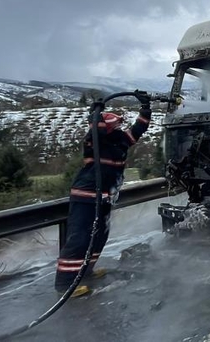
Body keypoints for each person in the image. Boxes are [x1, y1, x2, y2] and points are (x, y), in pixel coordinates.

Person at [54, 93, 152, 297]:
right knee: (80, 238)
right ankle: (65, 284)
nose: (118, 127)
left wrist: (145, 107)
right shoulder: (94, 141)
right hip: (87, 195)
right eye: (114, 125)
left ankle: (85, 272)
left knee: (99, 237)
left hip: (106, 196)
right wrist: (95, 114)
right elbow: (96, 130)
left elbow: (139, 129)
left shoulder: (121, 140)